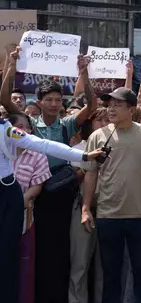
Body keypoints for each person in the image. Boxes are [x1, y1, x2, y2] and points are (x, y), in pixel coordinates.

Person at [1, 48, 96, 303]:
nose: (54, 104)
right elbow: (5, 100)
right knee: (35, 250)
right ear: (39, 102)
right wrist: (12, 65)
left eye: (58, 99)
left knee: (60, 249)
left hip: (61, 192)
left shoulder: (67, 124)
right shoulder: (28, 126)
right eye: (49, 99)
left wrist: (84, 74)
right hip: (34, 195)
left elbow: (92, 106)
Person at [0, 118, 105, 303]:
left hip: (6, 193)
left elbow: (42, 144)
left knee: (7, 258)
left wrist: (83, 156)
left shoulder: (5, 128)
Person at [81, 87, 141, 303]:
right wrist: (85, 208)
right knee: (111, 276)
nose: (111, 109)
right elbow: (91, 175)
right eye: (109, 105)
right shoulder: (97, 136)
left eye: (117, 105)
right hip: (108, 216)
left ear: (132, 109)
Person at [9, 113, 52, 303]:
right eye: (18, 127)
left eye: (27, 127)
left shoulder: (37, 154)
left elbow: (37, 187)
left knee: (24, 266)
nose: (23, 131)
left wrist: (18, 202)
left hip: (24, 219)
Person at [68, 108, 110, 303]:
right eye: (99, 120)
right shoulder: (77, 149)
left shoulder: (118, 146)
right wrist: (90, 164)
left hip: (109, 211)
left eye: (107, 120)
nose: (103, 124)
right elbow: (74, 180)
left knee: (105, 266)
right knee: (80, 264)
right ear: (89, 124)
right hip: (82, 210)